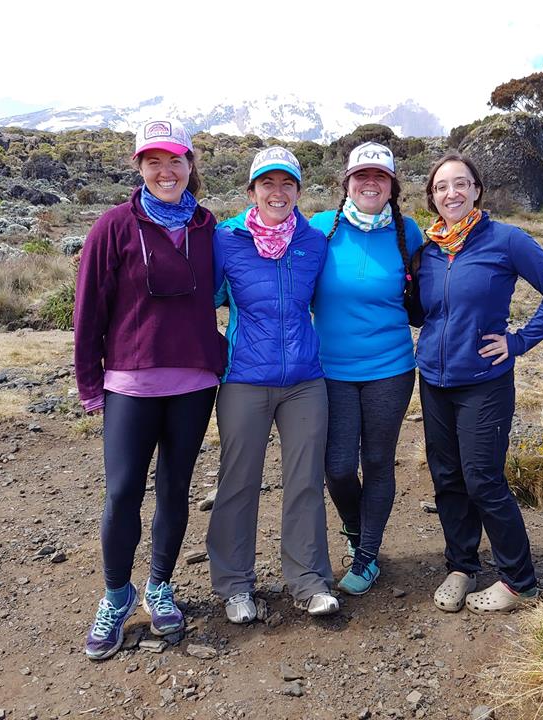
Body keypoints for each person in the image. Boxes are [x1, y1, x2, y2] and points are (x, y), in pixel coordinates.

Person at [74, 119, 227, 659]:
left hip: (193, 381)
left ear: (191, 165)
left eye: (175, 161)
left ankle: (160, 585)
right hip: (130, 383)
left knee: (174, 488)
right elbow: (88, 308)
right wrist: (89, 381)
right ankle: (118, 594)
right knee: (121, 493)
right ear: (139, 167)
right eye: (153, 161)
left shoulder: (211, 228)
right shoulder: (113, 226)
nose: (166, 171)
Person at [413, 153, 543, 613]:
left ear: (477, 189)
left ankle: (519, 580)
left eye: (461, 184)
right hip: (434, 380)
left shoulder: (505, 239)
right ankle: (462, 566)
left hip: (485, 381)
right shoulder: (427, 250)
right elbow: (423, 310)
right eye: (442, 186)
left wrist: (520, 341)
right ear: (432, 196)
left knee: (483, 479)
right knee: (447, 478)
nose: (452, 193)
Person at [207, 146, 339, 623]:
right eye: (267, 183)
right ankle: (235, 586)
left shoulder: (314, 241)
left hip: (306, 380)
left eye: (287, 184)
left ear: (299, 191)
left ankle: (308, 582)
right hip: (244, 378)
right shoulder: (226, 239)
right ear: (251, 191)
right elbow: (206, 299)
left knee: (304, 481)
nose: (277, 192)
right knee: (238, 482)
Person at [309, 142, 424, 595]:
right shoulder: (320, 227)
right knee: (337, 466)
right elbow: (266, 233)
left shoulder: (408, 231)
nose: (370, 183)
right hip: (329, 368)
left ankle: (367, 555)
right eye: (361, 175)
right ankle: (359, 534)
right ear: (347, 183)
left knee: (377, 461)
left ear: (392, 185)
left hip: (390, 367)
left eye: (380, 176)